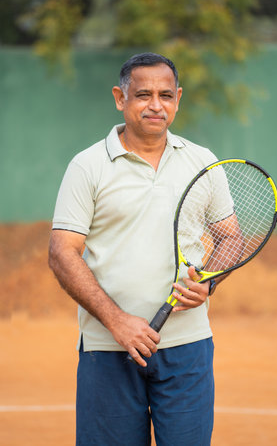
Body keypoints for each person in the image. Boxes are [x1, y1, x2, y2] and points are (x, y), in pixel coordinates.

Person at [49, 52, 232, 446]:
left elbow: (230, 237)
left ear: (178, 99)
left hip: (188, 349)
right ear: (120, 98)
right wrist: (116, 321)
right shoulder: (88, 166)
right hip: (108, 350)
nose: (155, 105)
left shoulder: (203, 162)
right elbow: (62, 252)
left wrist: (210, 281)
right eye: (143, 94)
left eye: (166, 95)